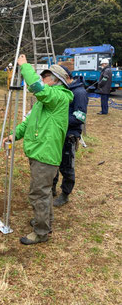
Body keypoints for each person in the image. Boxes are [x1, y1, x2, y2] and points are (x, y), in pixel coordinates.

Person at [3, 55, 73, 245]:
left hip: (46, 155)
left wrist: (24, 66)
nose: (42, 79)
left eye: (45, 76)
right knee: (44, 192)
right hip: (39, 152)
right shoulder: (45, 102)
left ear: (55, 81)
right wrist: (14, 135)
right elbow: (28, 123)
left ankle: (41, 232)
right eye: (41, 76)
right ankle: (45, 221)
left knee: (38, 194)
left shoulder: (58, 97)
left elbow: (36, 87)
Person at [53, 66, 88, 206]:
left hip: (69, 135)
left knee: (66, 166)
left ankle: (65, 194)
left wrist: (58, 121)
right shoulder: (62, 91)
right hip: (56, 134)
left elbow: (79, 117)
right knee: (53, 163)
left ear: (66, 77)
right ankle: (51, 188)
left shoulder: (79, 93)